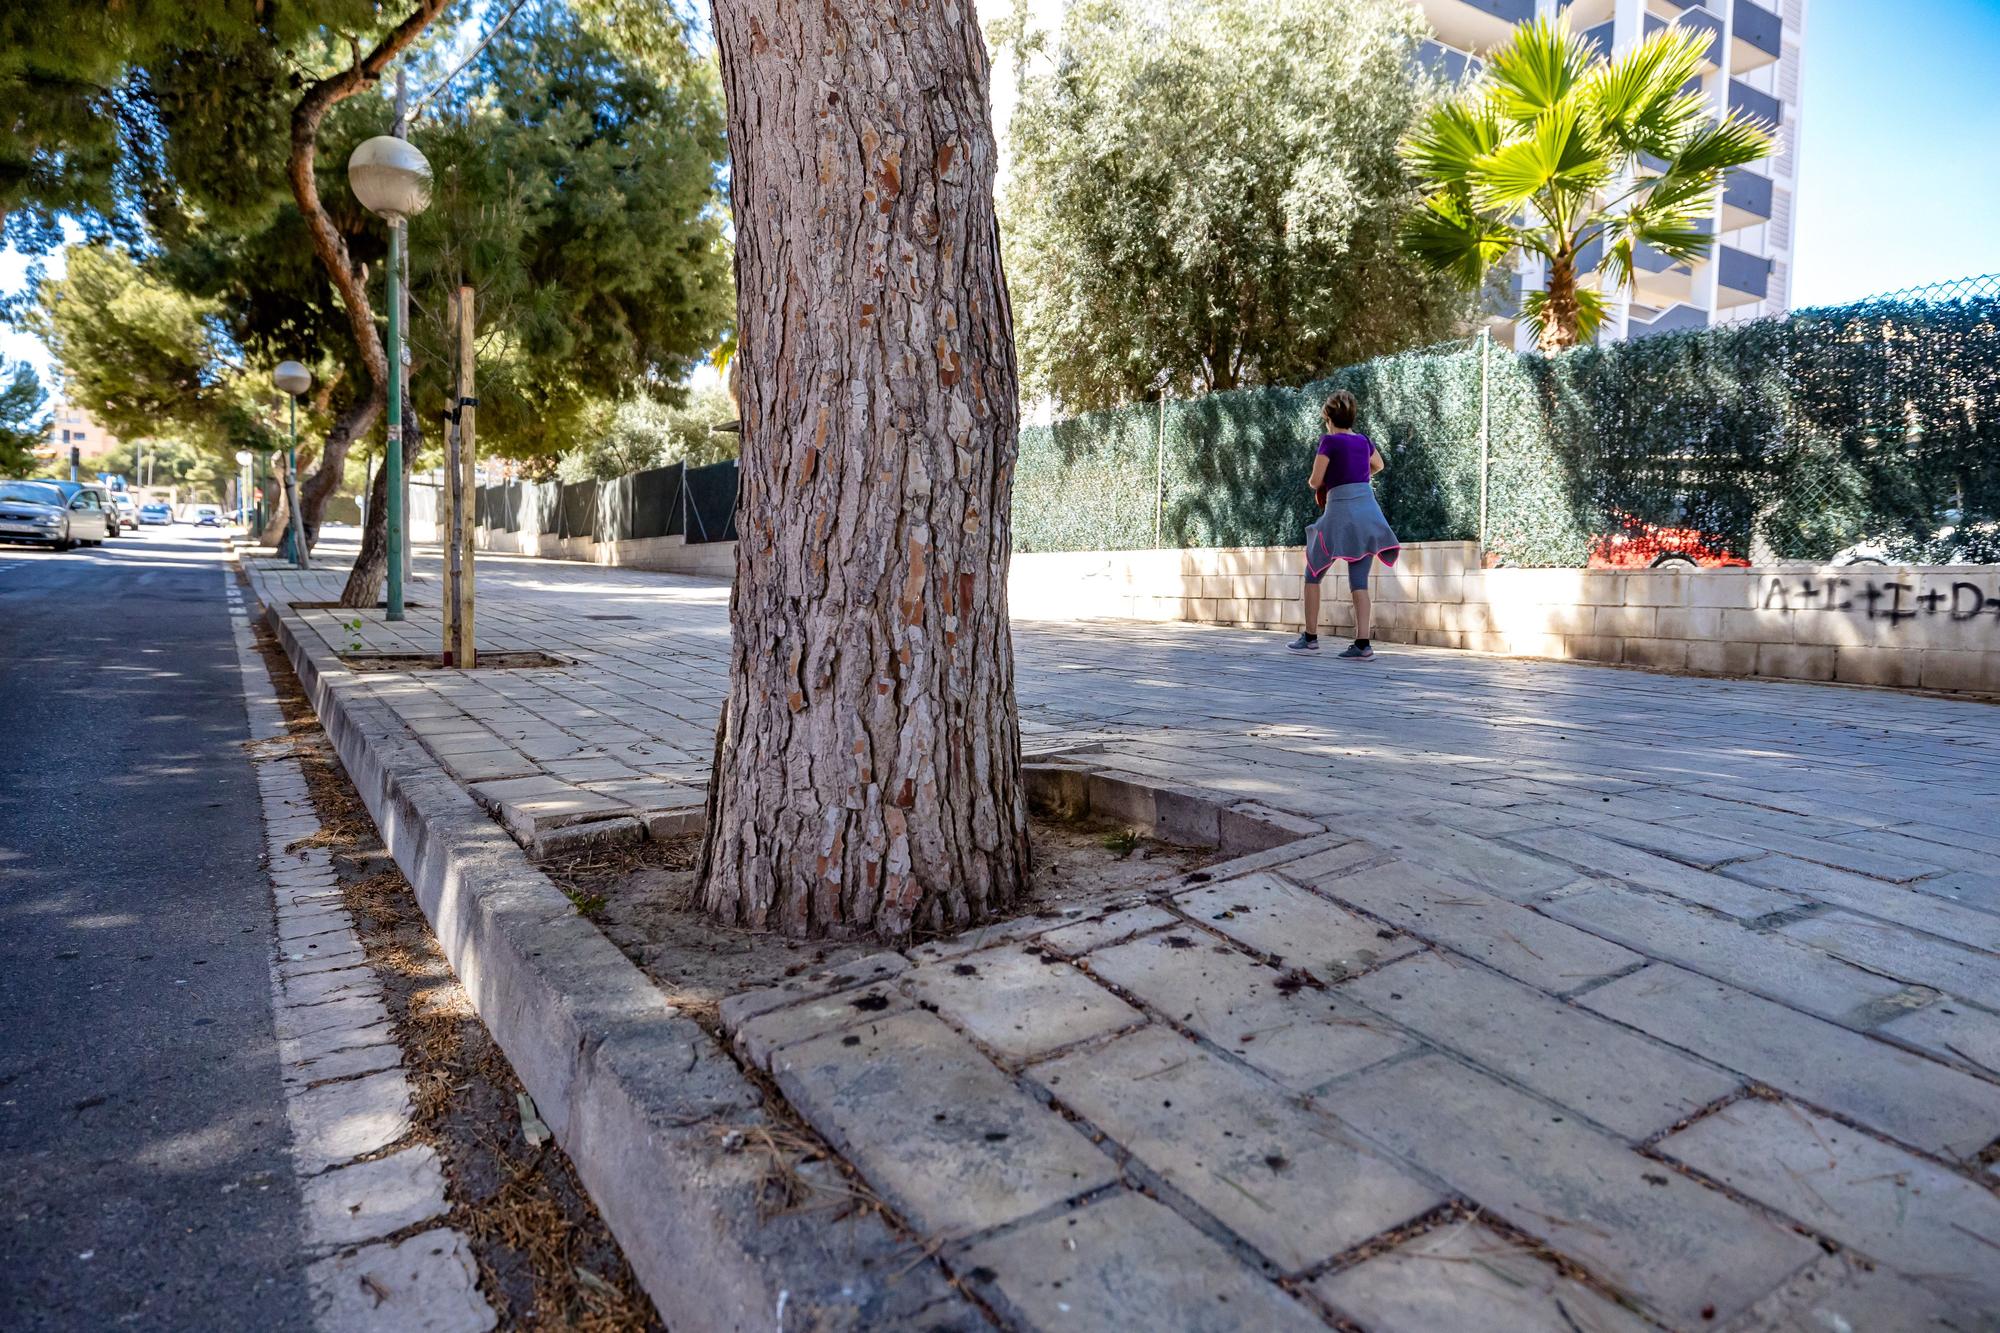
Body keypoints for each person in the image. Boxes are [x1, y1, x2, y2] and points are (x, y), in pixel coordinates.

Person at [1289, 390, 1400, 659]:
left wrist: (1325, 482)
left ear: (1328, 417)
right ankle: (1363, 644)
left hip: (1340, 514)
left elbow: (1315, 481)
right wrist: (1356, 476)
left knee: (1313, 572)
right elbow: (1379, 465)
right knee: (1359, 581)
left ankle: (1311, 638)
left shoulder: (1329, 442)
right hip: (1368, 512)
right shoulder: (1363, 441)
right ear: (1352, 416)